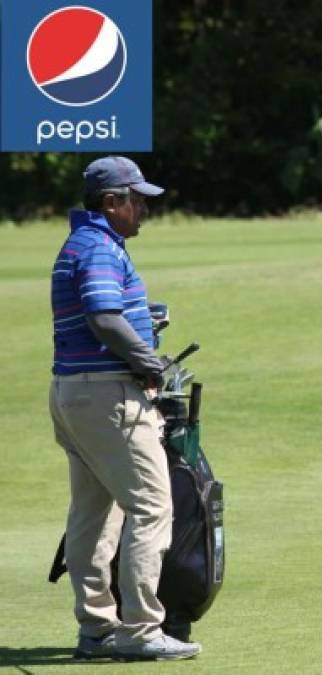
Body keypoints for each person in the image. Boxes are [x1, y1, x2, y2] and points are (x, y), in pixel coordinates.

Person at [48, 156, 201, 660]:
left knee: (94, 511)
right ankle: (139, 631)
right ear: (112, 202)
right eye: (137, 201)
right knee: (152, 506)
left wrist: (141, 328)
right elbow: (103, 319)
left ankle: (96, 628)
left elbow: (109, 316)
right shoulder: (96, 247)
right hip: (108, 396)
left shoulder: (88, 242)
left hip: (77, 393)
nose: (143, 210)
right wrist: (148, 360)